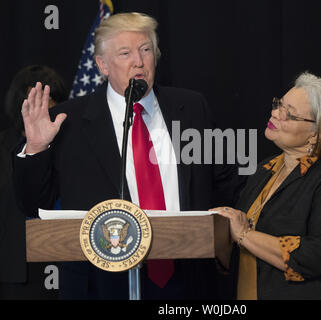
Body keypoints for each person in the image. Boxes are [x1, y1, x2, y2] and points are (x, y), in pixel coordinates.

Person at [13, 12, 244, 300]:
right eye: (125, 53)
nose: (139, 61)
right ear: (102, 64)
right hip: (100, 285)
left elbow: (225, 185)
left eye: (146, 50)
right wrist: (36, 149)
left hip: (187, 279)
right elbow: (34, 204)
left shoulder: (191, 107)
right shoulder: (68, 120)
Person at [213, 72, 321, 299]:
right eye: (279, 105)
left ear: (317, 133)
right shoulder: (266, 169)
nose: (275, 113)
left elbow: (320, 256)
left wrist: (244, 235)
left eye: (289, 114)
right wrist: (221, 234)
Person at [0, 65, 68, 299]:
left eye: (47, 103)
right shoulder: (3, 146)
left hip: (69, 264)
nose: (40, 112)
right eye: (32, 103)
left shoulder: (73, 146)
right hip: (15, 271)